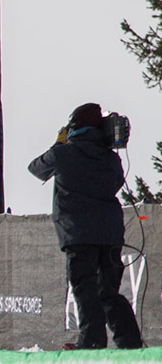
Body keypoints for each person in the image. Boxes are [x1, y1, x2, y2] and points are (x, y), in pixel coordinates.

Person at [28, 103, 142, 350]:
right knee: (109, 291)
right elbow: (115, 184)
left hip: (78, 234)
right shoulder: (111, 158)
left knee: (85, 287)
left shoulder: (63, 154)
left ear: (73, 127)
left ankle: (91, 341)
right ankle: (130, 342)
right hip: (110, 234)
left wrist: (59, 144)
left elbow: (36, 169)